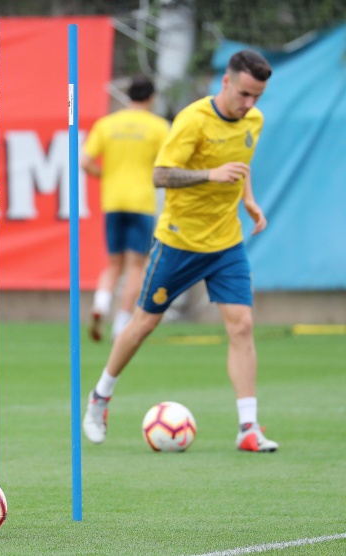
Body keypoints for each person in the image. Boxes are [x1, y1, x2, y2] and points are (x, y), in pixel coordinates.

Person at [82, 49, 278, 453]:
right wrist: (210, 174)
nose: (249, 104)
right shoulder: (192, 120)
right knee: (143, 324)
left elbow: (240, 164)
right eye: (244, 94)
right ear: (226, 82)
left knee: (242, 326)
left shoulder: (254, 121)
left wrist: (249, 199)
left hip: (226, 243)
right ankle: (100, 397)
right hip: (178, 241)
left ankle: (248, 428)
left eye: (257, 96)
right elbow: (160, 175)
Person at [81, 76, 170, 342]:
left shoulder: (107, 124)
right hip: (141, 201)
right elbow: (168, 163)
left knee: (113, 264)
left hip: (113, 200)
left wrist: (104, 175)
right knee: (136, 266)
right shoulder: (158, 127)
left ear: (128, 95)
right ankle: (121, 322)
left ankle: (101, 304)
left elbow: (85, 161)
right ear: (151, 98)